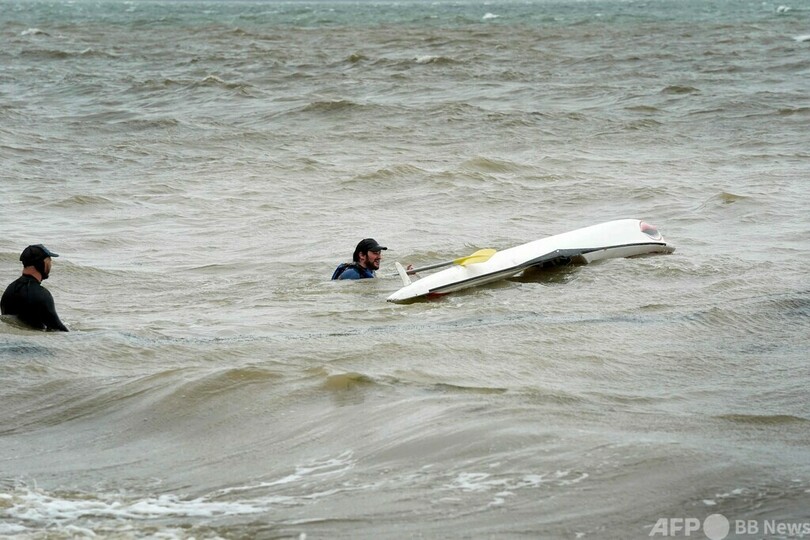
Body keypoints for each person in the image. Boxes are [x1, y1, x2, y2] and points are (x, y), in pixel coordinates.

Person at [1, 244, 69, 331]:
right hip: (34, 343)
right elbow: (59, 330)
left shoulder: (10, 290)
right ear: (41, 263)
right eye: (49, 260)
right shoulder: (42, 295)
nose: (51, 264)